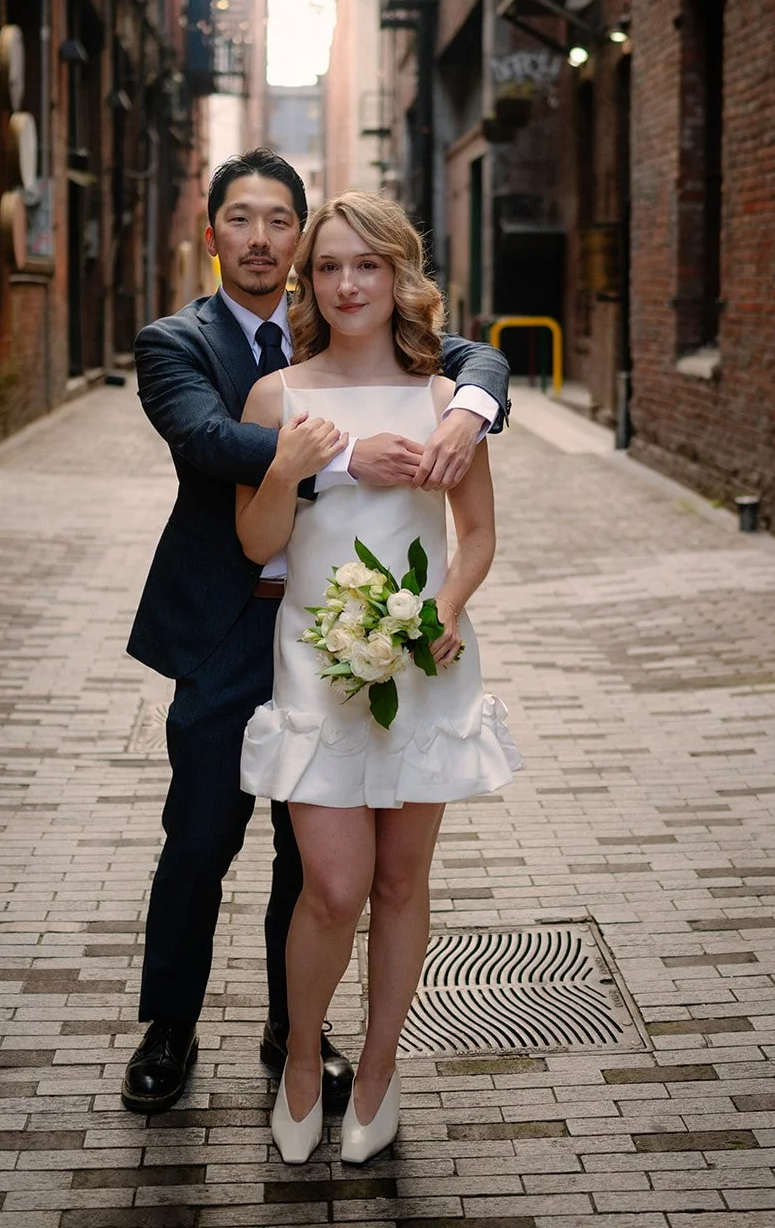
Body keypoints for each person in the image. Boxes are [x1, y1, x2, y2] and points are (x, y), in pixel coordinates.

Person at [122, 150, 511, 1115]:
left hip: (349, 647)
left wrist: (469, 407)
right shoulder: (177, 342)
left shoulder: (378, 331)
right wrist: (338, 456)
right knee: (201, 838)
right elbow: (210, 443)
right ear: (213, 229)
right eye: (240, 219)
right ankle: (169, 1025)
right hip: (230, 627)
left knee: (320, 867)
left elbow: (476, 363)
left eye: (278, 221)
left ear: (302, 239)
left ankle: (297, 1030)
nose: (260, 238)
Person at [236, 191, 520, 1165]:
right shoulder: (279, 397)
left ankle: (384, 1071)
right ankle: (305, 1069)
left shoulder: (444, 399)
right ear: (308, 282)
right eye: (328, 266)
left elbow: (475, 537)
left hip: (424, 656)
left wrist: (443, 607)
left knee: (402, 879)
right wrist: (288, 467)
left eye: (366, 264)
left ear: (398, 273)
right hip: (317, 660)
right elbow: (257, 541)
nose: (347, 283)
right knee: (334, 883)